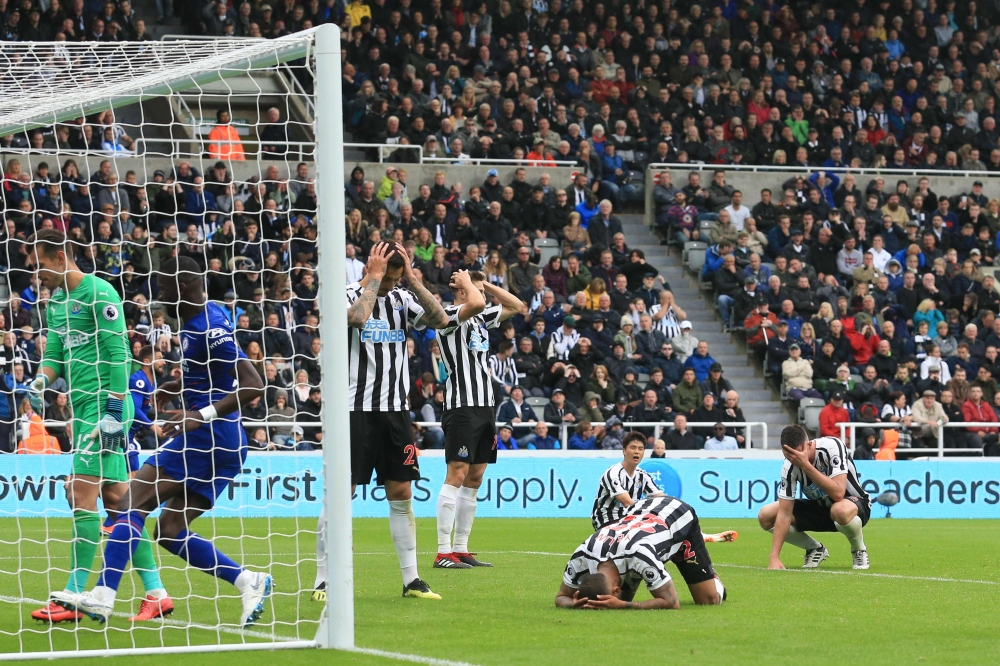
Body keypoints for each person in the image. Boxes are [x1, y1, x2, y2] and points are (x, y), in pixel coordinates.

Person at [64, 256, 267, 624]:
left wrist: (199, 415)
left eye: (164, 287)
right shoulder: (197, 322)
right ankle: (248, 580)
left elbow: (254, 383)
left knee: (130, 504)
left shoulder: (208, 327)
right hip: (224, 443)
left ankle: (103, 594)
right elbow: (216, 375)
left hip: (208, 436)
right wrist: (177, 387)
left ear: (185, 287)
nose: (159, 295)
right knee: (170, 531)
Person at [25, 230, 171, 624]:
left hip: (108, 407)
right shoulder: (56, 302)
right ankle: (156, 592)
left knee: (79, 491)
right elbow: (55, 353)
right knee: (120, 500)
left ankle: (71, 595)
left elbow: (119, 354)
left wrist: (113, 407)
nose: (37, 276)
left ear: (59, 258)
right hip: (84, 405)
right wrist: (41, 378)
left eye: (41, 266)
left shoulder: (99, 292)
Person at [343, 241, 449, 600]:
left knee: (402, 492)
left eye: (394, 278)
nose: (391, 284)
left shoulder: (402, 299)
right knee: (344, 494)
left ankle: (411, 580)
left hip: (395, 411)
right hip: (354, 411)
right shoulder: (344, 294)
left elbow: (441, 320)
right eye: (387, 277)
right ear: (373, 267)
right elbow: (356, 318)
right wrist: (374, 279)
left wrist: (414, 281)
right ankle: (324, 581)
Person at [434, 269, 521, 569]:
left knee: (475, 478)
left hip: (485, 407)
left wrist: (487, 285)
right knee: (456, 474)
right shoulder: (447, 315)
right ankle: (443, 551)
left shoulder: (480, 319)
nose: (482, 295)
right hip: (461, 406)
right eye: (475, 289)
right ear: (461, 291)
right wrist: (471, 286)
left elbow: (517, 307)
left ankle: (461, 548)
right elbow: (478, 304)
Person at [555, 496, 726, 610]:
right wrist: (574, 604)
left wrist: (623, 605)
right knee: (627, 594)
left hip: (678, 515)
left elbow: (672, 602)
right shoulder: (582, 554)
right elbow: (561, 596)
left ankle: (712, 578)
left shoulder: (639, 553)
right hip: (640, 517)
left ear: (615, 589)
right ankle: (663, 553)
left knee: (708, 600)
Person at [758, 425, 872, 571]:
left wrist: (806, 466)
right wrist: (774, 558)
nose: (794, 459)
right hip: (821, 509)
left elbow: (838, 493)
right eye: (789, 455)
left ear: (809, 444)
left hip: (854, 506)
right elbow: (785, 513)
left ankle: (858, 550)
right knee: (765, 515)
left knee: (840, 510)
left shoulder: (831, 447)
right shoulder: (789, 466)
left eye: (797, 454)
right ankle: (814, 548)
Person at [591, 432, 663, 530]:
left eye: (640, 449)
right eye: (633, 448)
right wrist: (647, 515)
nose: (636, 452)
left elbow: (661, 498)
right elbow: (627, 502)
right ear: (624, 451)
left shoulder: (643, 476)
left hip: (629, 519)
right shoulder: (613, 473)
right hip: (606, 519)